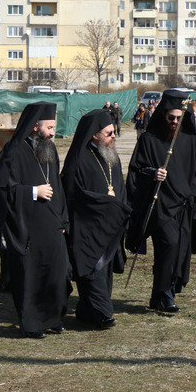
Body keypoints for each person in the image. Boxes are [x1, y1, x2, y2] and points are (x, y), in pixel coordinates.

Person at [126, 89, 196, 314]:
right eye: (171, 118)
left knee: (179, 249)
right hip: (159, 206)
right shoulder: (149, 139)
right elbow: (136, 171)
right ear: (163, 115)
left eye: (179, 118)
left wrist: (194, 197)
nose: (175, 122)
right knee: (169, 244)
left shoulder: (189, 140)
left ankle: (161, 295)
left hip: (183, 205)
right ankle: (166, 295)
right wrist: (152, 173)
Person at [0, 101, 70, 338]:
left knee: (56, 272)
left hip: (52, 224)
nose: (54, 133)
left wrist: (63, 221)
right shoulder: (14, 151)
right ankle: (32, 323)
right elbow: (1, 190)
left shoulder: (50, 149)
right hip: (27, 225)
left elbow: (59, 188)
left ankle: (52, 318)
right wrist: (33, 192)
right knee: (30, 277)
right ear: (35, 126)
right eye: (50, 127)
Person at [61, 109, 131, 330]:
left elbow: (119, 187)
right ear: (94, 135)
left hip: (110, 227)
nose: (114, 136)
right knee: (93, 271)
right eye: (109, 133)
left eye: (113, 131)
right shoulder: (78, 160)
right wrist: (104, 207)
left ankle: (87, 311)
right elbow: (73, 194)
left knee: (105, 271)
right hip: (87, 227)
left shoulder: (112, 156)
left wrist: (119, 210)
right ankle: (102, 314)